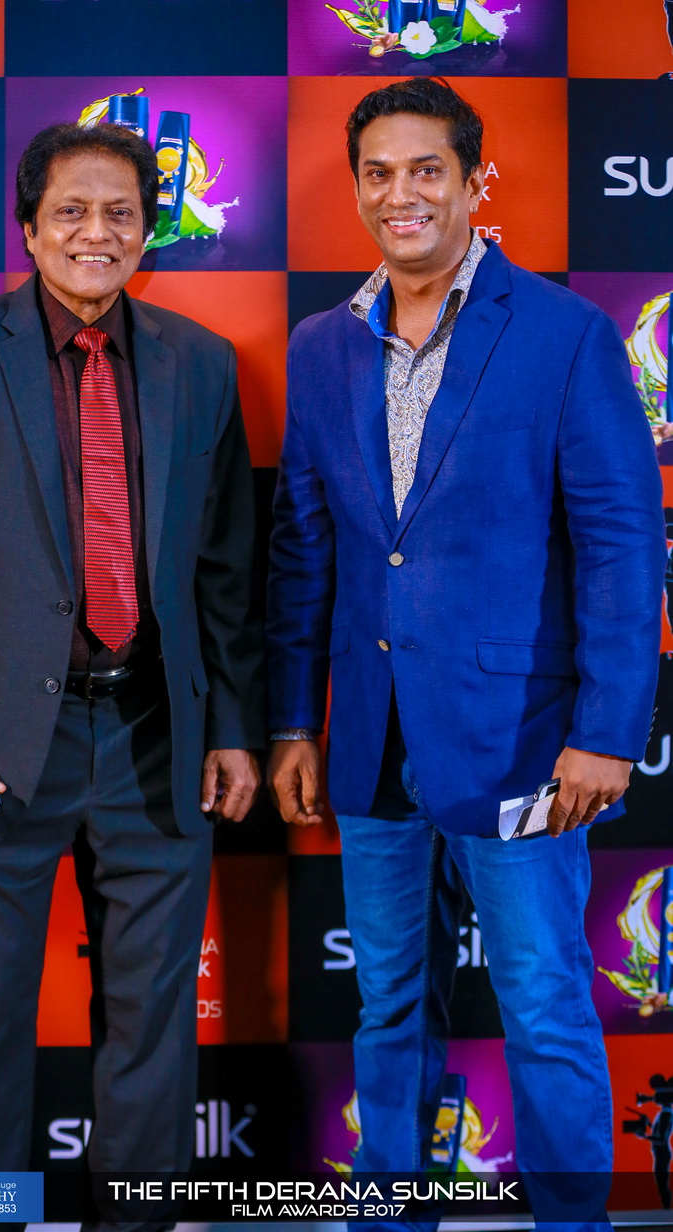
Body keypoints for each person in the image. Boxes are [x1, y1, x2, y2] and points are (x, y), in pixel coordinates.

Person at [266, 77, 666, 1229]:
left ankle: (571, 1220)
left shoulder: (562, 332)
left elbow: (619, 544)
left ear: (471, 182)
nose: (400, 194)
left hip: (522, 744)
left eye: (425, 169)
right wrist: (293, 719)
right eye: (378, 173)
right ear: (356, 190)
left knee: (541, 1001)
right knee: (388, 1004)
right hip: (371, 739)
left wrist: (606, 731)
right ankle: (388, 1213)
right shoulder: (320, 346)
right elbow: (304, 550)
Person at [0, 121, 264, 1227]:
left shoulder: (200, 362)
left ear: (148, 230)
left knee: (152, 1028)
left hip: (157, 736)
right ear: (30, 227)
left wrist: (233, 727)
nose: (98, 232)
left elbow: (227, 569)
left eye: (121, 213)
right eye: (72, 212)